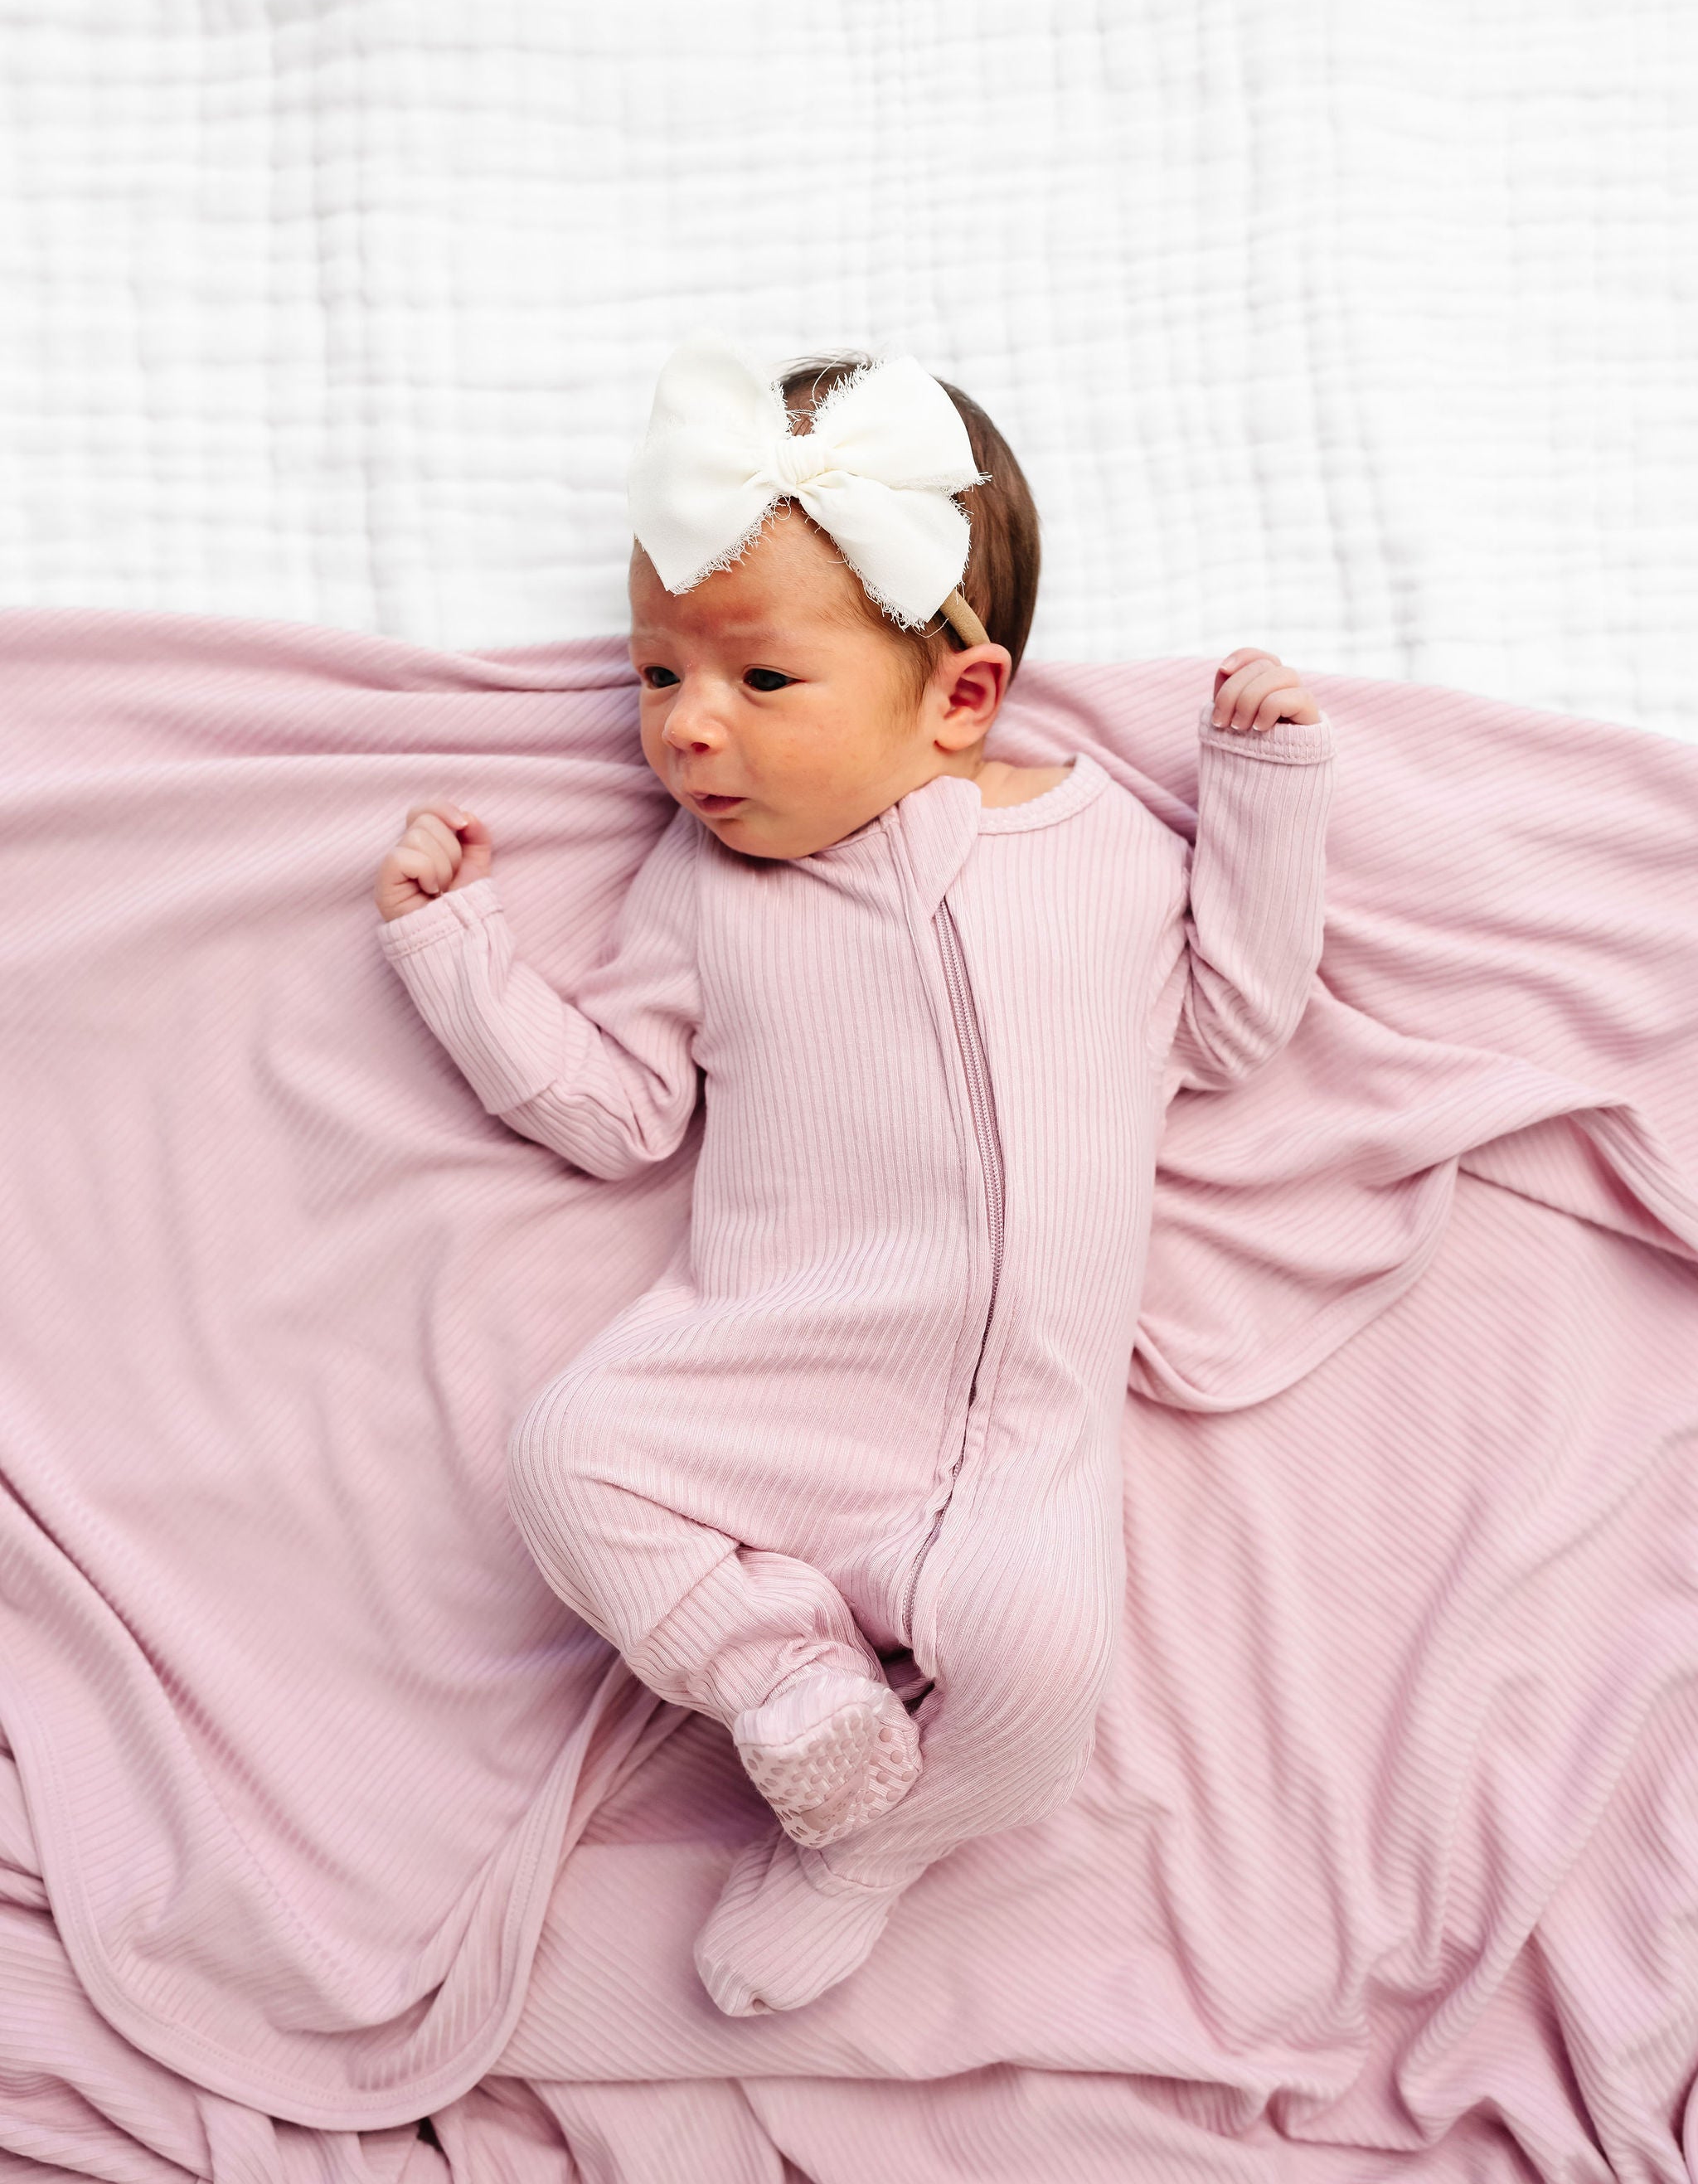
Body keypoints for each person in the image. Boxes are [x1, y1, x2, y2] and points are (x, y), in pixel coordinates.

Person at [372, 337, 1335, 2014]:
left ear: (959, 696)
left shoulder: (1105, 849)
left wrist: (1264, 790)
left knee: (1042, 1696)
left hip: (1025, 1441)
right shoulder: (700, 895)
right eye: (656, 676)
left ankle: (862, 1852)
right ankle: (780, 1674)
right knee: (565, 1457)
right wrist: (458, 955)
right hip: (772, 1379)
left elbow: (1242, 1020)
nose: (685, 733)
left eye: (758, 684)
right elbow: (616, 1116)